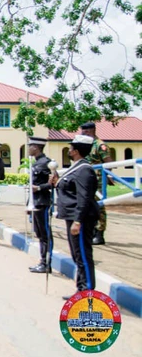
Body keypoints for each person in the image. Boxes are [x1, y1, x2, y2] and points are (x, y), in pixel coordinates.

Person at [51, 135, 99, 292]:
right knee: (77, 256)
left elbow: (84, 197)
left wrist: (78, 221)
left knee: (83, 256)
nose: (69, 150)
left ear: (76, 151)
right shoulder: (77, 167)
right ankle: (81, 289)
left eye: (71, 148)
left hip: (81, 219)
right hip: (72, 216)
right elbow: (70, 188)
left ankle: (87, 292)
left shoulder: (84, 170)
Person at [80, 121, 113, 245]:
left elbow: (108, 163)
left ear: (91, 131)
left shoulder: (100, 145)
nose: (83, 133)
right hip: (86, 179)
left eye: (85, 131)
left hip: (98, 180)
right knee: (87, 205)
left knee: (99, 205)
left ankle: (99, 233)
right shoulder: (85, 144)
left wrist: (106, 177)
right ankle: (91, 231)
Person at [27, 136, 53, 274]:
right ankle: (42, 261)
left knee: (45, 234)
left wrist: (39, 188)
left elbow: (52, 182)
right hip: (35, 202)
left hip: (42, 201)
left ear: (36, 147)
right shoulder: (36, 162)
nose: (28, 148)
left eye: (30, 146)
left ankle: (47, 262)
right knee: (39, 233)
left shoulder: (46, 163)